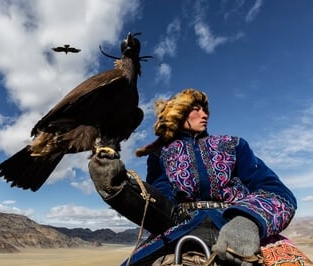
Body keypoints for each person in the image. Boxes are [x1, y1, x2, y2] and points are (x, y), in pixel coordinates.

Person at [88, 88, 299, 266]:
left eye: (205, 109)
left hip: (236, 224)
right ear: (179, 113)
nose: (204, 114)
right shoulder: (161, 155)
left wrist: (248, 221)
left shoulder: (234, 144)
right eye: (195, 109)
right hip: (178, 226)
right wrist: (120, 186)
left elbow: (277, 191)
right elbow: (162, 202)